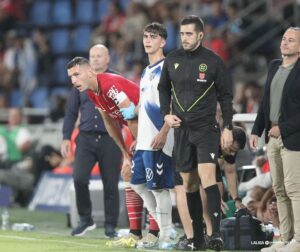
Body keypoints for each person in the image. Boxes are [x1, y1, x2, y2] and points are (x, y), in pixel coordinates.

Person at [158, 15, 233, 251]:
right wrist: (165, 115)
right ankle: (198, 238)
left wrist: (228, 126)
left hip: (205, 128)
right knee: (189, 184)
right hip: (182, 130)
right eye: (182, 34)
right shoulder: (172, 59)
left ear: (200, 35)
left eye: (189, 34)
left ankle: (216, 234)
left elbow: (226, 96)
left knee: (208, 176)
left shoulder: (213, 61)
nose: (184, 38)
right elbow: (163, 90)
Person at [66, 57, 160, 246]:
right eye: (70, 77)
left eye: (77, 74)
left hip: (154, 130)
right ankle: (135, 233)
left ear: (90, 72)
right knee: (130, 175)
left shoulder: (109, 86)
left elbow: (131, 115)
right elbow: (110, 123)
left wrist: (138, 144)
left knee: (151, 182)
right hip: (141, 133)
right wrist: (125, 154)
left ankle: (156, 232)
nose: (73, 81)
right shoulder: (93, 93)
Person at [119, 22, 175, 250]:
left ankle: (166, 235)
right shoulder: (145, 72)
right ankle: (166, 230)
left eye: (152, 37)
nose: (147, 40)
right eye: (145, 36)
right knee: (138, 185)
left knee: (159, 188)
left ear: (163, 41)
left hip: (159, 138)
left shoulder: (168, 68)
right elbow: (141, 108)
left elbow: (173, 104)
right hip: (143, 140)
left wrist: (164, 131)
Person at [61, 45, 122, 237]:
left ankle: (110, 225)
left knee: (111, 184)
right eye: (92, 56)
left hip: (110, 139)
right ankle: (86, 219)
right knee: (79, 178)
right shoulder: (79, 82)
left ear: (107, 59)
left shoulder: (116, 80)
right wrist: (65, 137)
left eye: (99, 56)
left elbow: (128, 109)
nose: (95, 59)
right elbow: (71, 112)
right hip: (86, 138)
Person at [250, 27, 300, 252]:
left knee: (294, 189)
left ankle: (299, 240)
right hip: (272, 136)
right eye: (284, 39)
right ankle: (285, 237)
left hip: (294, 137)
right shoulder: (273, 66)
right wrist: (256, 130)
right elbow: (265, 103)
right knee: (279, 189)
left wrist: (284, 128)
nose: (285, 43)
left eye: (291, 40)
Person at [174, 126, 246, 250]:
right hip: (186, 156)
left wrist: (236, 199)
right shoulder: (211, 139)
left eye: (235, 151)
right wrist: (213, 196)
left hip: (207, 161)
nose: (232, 153)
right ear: (225, 140)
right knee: (186, 188)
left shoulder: (228, 147)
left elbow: (229, 172)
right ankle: (190, 236)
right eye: (232, 149)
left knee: (214, 189)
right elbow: (201, 178)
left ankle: (211, 234)